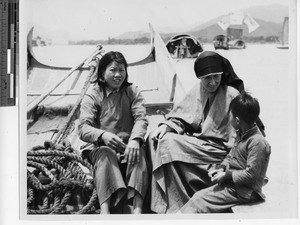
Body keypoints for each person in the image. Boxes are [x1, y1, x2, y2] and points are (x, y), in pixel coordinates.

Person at [148, 51, 249, 213]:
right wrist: (166, 126)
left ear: (222, 74)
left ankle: (175, 204)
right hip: (201, 146)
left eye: (216, 76)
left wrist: (228, 166)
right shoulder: (198, 89)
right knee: (159, 139)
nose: (212, 82)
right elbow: (183, 115)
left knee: (167, 143)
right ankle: (176, 201)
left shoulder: (232, 95)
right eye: (207, 78)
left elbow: (240, 138)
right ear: (200, 78)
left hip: (220, 151)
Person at [78, 51, 149, 214]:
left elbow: (141, 118)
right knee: (105, 154)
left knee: (139, 153)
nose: (118, 75)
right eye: (113, 70)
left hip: (128, 145)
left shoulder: (132, 91)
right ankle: (105, 210)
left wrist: (135, 140)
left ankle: (137, 210)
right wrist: (102, 135)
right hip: (102, 148)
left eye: (122, 70)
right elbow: (83, 128)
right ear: (102, 73)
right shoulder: (93, 95)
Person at [178, 92, 271, 213]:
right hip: (234, 186)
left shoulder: (257, 142)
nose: (229, 118)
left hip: (246, 191)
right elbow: (231, 154)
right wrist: (221, 168)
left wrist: (226, 175)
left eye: (230, 115)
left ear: (237, 120)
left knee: (199, 203)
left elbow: (251, 174)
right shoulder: (242, 133)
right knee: (197, 196)